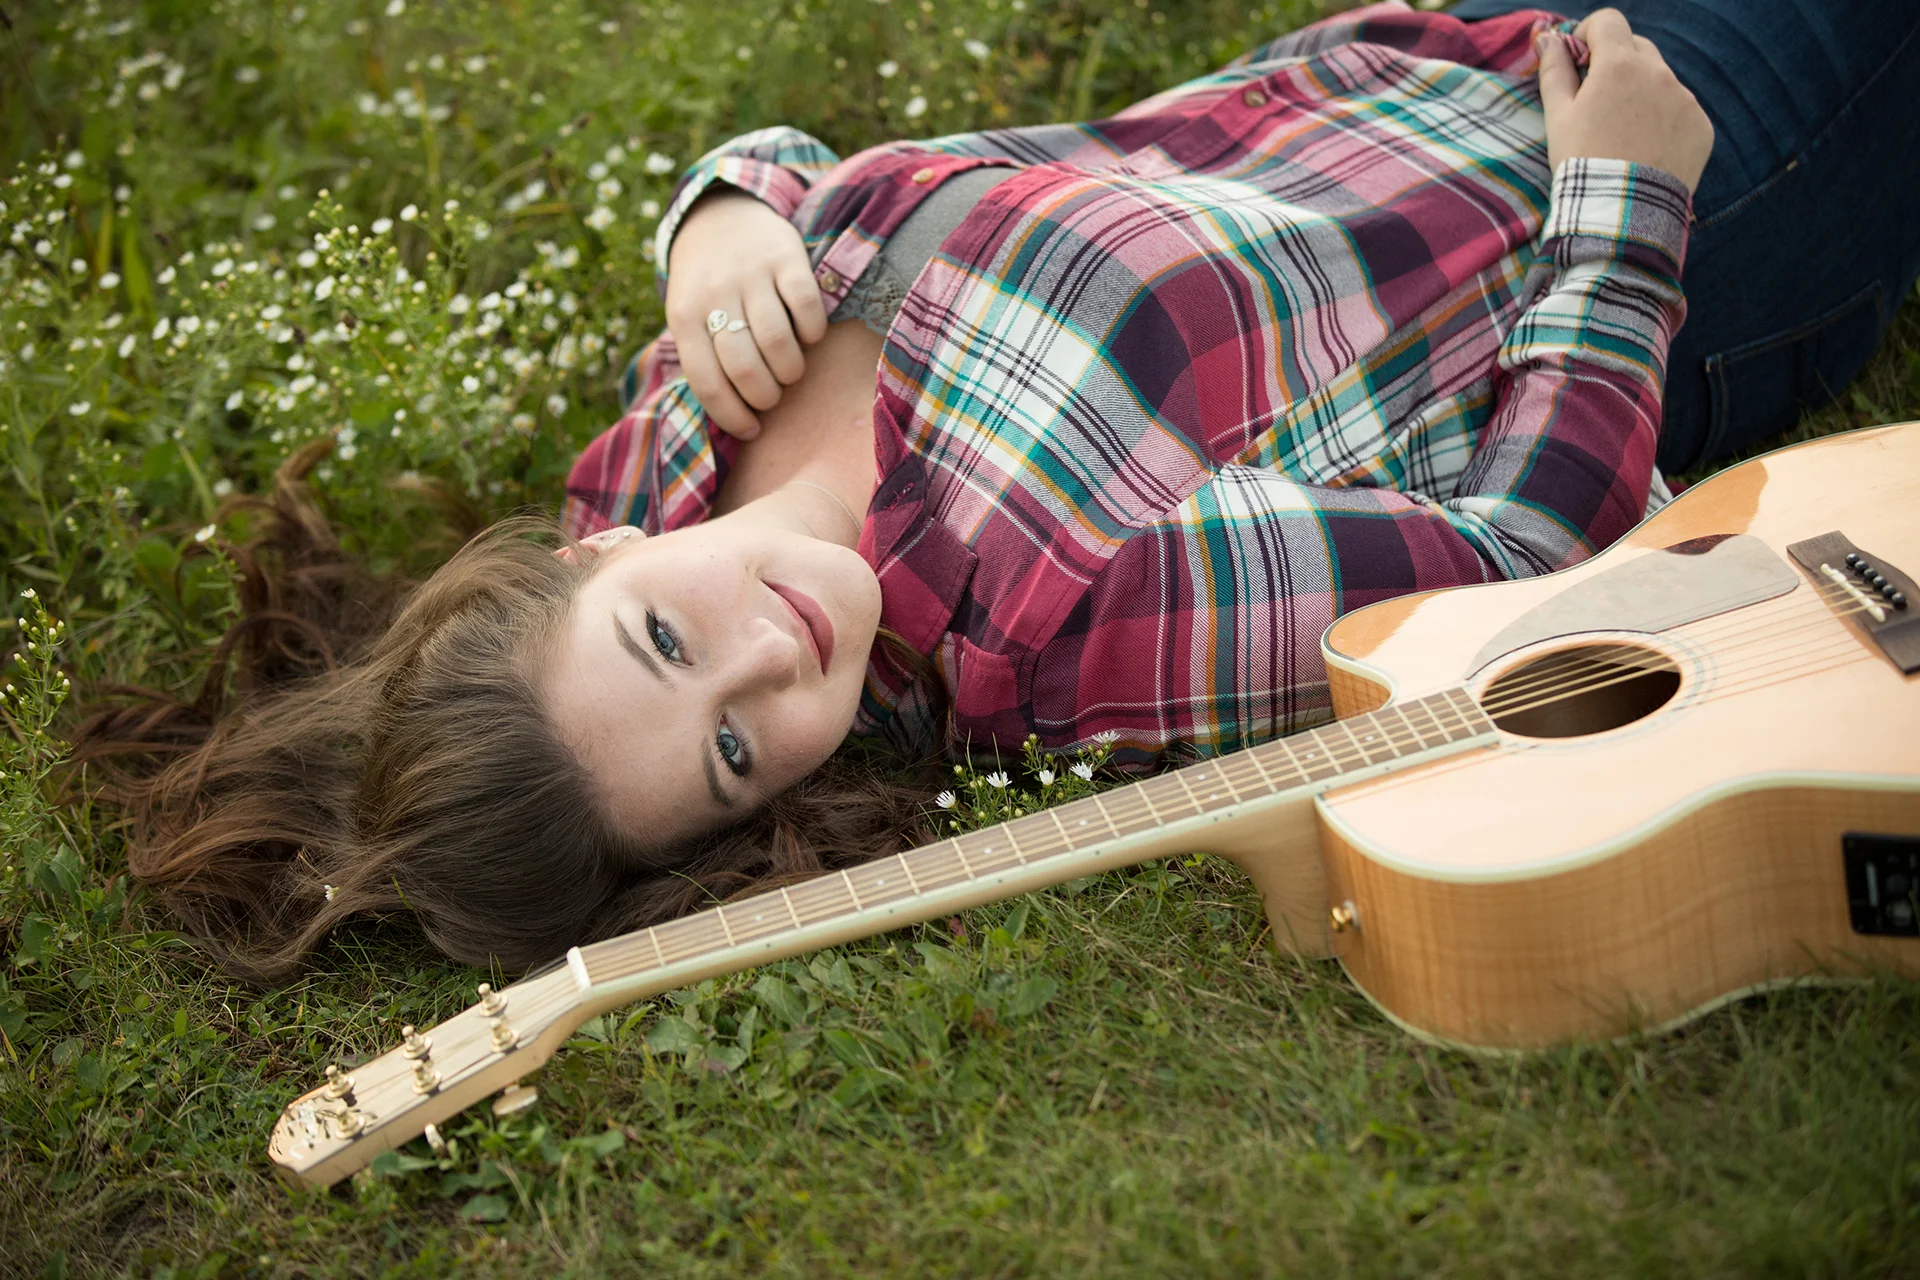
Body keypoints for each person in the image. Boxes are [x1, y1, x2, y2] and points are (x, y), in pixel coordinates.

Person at [79, 1, 1920, 982]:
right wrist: (1632, 205)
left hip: (1435, 45)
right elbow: (1518, 568)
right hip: (1666, 165)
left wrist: (720, 208)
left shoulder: (676, 410)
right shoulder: (1062, 630)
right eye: (731, 753)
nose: (764, 665)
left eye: (664, 635)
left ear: (605, 545)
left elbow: (841, 185)